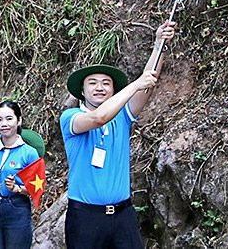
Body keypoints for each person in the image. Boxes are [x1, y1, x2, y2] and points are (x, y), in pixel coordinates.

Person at [60, 21, 176, 249]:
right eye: (92, 83)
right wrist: (134, 84)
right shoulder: (71, 117)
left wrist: (158, 44)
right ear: (82, 91)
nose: (100, 87)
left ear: (113, 90)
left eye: (106, 83)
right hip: (85, 217)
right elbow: (97, 119)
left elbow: (147, 85)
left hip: (123, 215)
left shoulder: (122, 117)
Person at [0, 101, 39, 249]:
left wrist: (16, 188)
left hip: (16, 208)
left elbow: (36, 188)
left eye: (9, 119)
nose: (4, 124)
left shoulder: (29, 153)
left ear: (19, 120)